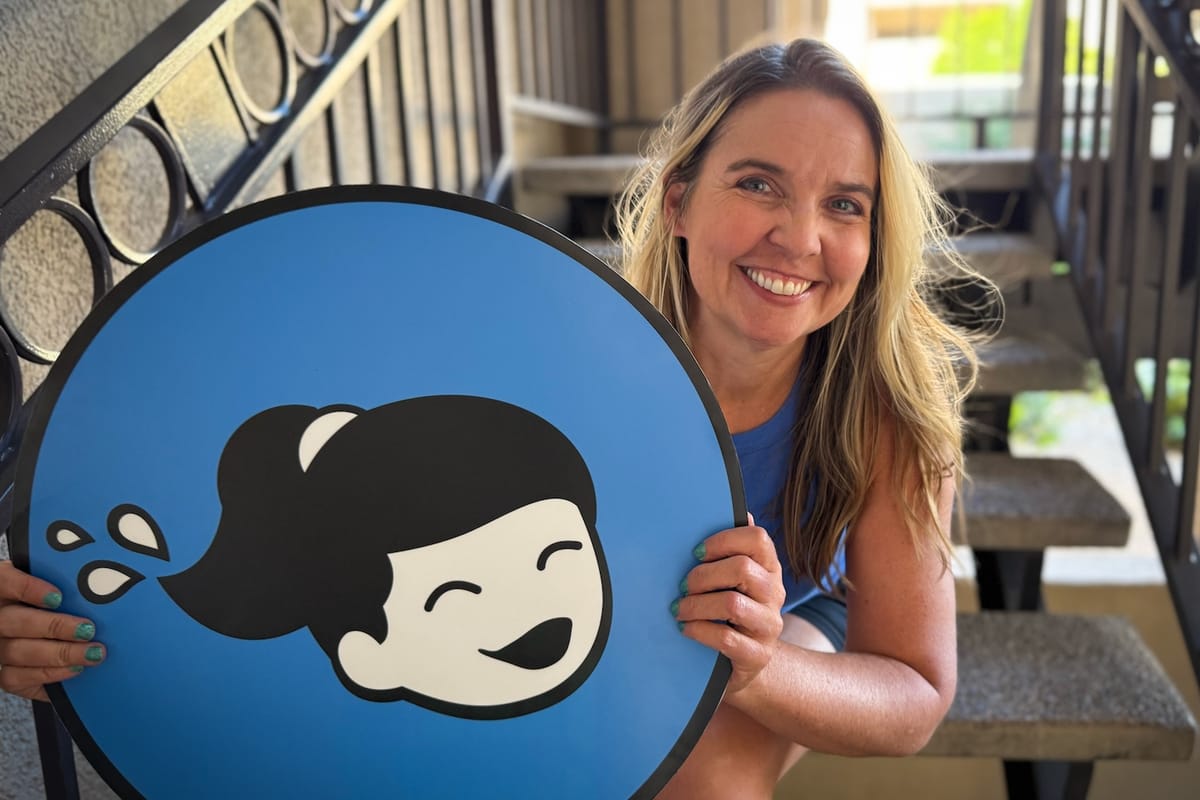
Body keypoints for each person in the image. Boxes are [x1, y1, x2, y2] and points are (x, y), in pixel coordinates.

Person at [0, 37, 989, 800]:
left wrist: (762, 662)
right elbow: (279, 469)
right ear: (678, 199)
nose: (801, 235)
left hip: (780, 630)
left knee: (704, 775)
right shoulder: (555, 348)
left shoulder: (889, 413)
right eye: (759, 182)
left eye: (846, 204)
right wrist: (76, 619)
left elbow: (912, 694)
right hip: (551, 602)